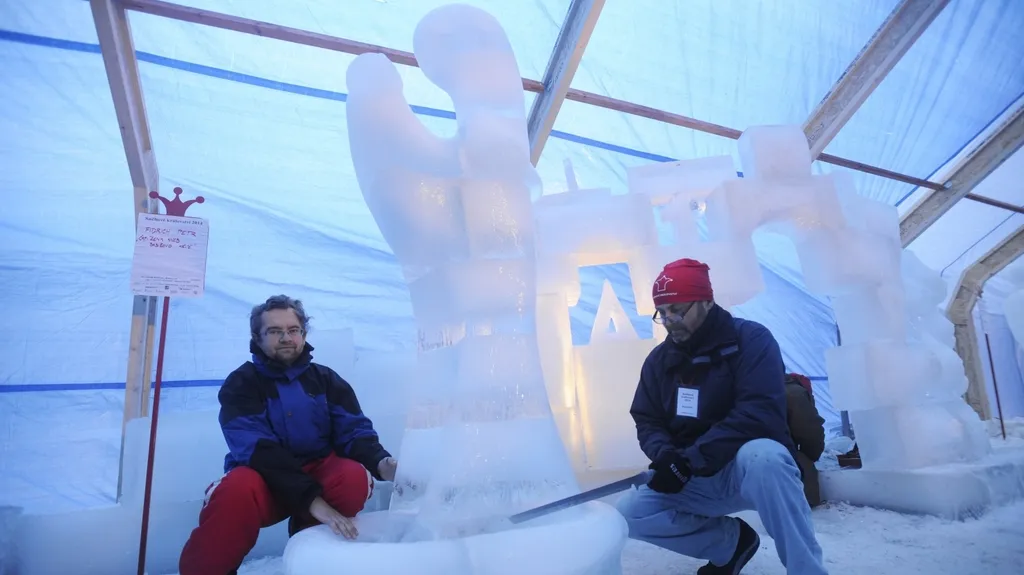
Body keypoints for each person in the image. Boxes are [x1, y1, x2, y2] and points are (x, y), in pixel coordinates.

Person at [616, 258, 828, 575]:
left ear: (706, 301)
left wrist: (690, 460)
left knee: (766, 457)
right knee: (630, 513)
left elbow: (758, 414)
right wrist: (666, 456)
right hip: (693, 476)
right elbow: (647, 418)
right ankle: (730, 544)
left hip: (745, 472)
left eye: (677, 310)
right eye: (662, 312)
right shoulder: (659, 361)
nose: (670, 320)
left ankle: (806, 570)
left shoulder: (752, 341)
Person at [179, 295, 398, 575]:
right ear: (257, 338)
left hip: (317, 473)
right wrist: (312, 501)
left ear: (303, 334)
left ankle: (311, 560)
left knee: (353, 477)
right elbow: (258, 449)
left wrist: (382, 463)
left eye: (293, 330)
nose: (286, 338)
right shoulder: (242, 384)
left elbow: (353, 431)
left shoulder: (326, 380)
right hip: (264, 478)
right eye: (274, 331)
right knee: (235, 490)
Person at [784, 372, 826, 507]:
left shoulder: (758, 385)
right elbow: (810, 431)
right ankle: (802, 505)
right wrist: (811, 455)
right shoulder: (796, 393)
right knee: (802, 463)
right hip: (773, 450)